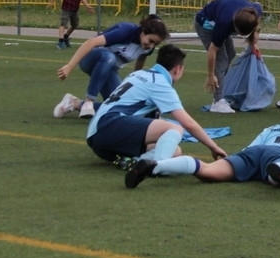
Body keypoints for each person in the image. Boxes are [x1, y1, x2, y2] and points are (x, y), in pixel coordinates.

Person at [124, 92, 280, 198]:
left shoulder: (271, 129)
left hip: (252, 154)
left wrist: (235, 162)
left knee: (207, 171)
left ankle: (156, 165)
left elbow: (250, 149)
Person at [86, 44, 226, 168]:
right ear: (178, 69)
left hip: (98, 138)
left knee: (174, 151)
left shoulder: (138, 73)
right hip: (108, 127)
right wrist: (214, 147)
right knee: (175, 128)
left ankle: (135, 162)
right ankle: (156, 167)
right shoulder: (159, 82)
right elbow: (187, 123)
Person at [54, 14, 169, 119]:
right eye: (151, 40)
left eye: (155, 43)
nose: (151, 46)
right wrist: (70, 66)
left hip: (109, 69)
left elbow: (140, 62)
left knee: (121, 106)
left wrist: (134, 86)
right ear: (144, 31)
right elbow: (91, 42)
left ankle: (74, 103)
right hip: (90, 58)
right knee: (109, 57)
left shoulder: (148, 48)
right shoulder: (126, 31)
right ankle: (89, 101)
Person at [194, 0, 262, 113]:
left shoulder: (255, 11)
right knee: (222, 60)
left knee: (231, 53)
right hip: (205, 24)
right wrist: (211, 75)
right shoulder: (224, 23)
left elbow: (257, 20)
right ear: (234, 25)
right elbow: (212, 51)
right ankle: (217, 102)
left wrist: (254, 41)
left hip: (224, 15)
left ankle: (220, 90)